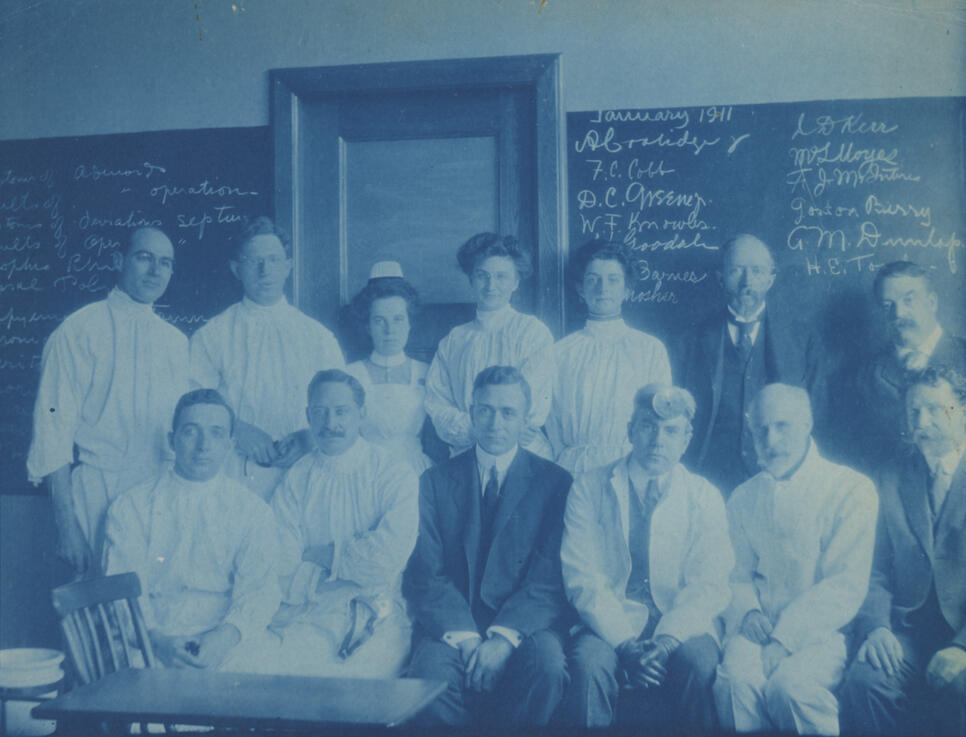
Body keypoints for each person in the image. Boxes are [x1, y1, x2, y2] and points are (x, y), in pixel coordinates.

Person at [403, 366, 571, 726]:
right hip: (454, 623)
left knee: (549, 666)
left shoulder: (555, 482)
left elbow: (549, 578)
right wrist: (465, 638)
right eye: (485, 410)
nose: (496, 423)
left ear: (526, 418)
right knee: (427, 675)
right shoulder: (434, 481)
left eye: (508, 412)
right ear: (471, 411)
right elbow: (425, 573)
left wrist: (504, 638)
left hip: (525, 625)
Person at [559, 383, 733, 728]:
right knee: (590, 665)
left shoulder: (704, 496)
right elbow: (583, 578)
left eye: (671, 431)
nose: (658, 440)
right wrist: (625, 644)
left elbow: (709, 584)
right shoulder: (589, 487)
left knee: (700, 664)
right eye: (647, 426)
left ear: (686, 438)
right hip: (607, 622)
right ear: (630, 431)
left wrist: (667, 642)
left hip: (680, 622)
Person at [713, 384, 878, 736]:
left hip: (821, 633)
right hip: (755, 627)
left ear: (807, 424)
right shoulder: (744, 497)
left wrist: (785, 638)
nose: (771, 440)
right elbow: (732, 572)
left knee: (791, 688)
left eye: (782, 426)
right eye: (761, 430)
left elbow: (844, 585)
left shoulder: (850, 488)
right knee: (734, 682)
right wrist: (748, 611)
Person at [27, 227, 189, 577]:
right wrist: (67, 527)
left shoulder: (175, 343)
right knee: (99, 609)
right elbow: (52, 432)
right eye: (144, 257)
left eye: (165, 263)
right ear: (119, 260)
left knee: (155, 611)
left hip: (158, 493)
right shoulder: (79, 330)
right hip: (95, 494)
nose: (155, 271)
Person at [103, 389, 281, 673]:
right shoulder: (131, 507)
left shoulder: (253, 510)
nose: (203, 445)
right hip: (153, 639)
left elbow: (260, 590)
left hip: (227, 639)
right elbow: (123, 592)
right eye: (190, 432)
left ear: (230, 444)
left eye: (216, 433)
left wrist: (225, 636)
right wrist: (157, 641)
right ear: (172, 440)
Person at [840, 366, 966, 735]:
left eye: (934, 409)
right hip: (905, 633)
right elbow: (873, 568)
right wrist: (877, 627)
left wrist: (961, 647)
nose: (921, 422)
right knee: (864, 683)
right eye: (913, 411)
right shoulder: (890, 476)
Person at [270, 369, 418, 678]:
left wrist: (316, 555)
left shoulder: (393, 473)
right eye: (320, 412)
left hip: (377, 617)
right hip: (308, 612)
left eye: (341, 412)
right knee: (277, 678)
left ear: (361, 414)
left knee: (349, 688)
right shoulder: (297, 476)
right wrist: (346, 559)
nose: (330, 423)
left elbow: (385, 560)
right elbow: (280, 560)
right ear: (308, 416)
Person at [190, 216, 345, 500]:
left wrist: (309, 436)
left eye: (274, 260)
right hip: (234, 473)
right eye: (254, 261)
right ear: (236, 269)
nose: (265, 271)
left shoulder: (318, 337)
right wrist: (235, 428)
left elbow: (342, 404)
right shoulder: (212, 335)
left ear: (288, 266)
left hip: (304, 470)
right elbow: (194, 402)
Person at [673, 234, 824, 497]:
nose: (747, 282)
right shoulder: (688, 341)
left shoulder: (803, 341)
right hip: (708, 479)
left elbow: (818, 412)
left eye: (757, 271)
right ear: (720, 278)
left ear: (771, 279)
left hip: (782, 477)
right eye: (736, 271)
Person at [546, 241, 672, 474]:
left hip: (631, 466)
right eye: (593, 279)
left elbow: (658, 417)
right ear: (581, 289)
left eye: (613, 280)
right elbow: (552, 424)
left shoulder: (650, 349)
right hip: (573, 469)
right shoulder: (560, 352)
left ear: (627, 289)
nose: (602, 289)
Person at [425, 233, 554, 459]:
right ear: (471, 280)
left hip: (523, 455)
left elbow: (531, 407)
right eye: (482, 276)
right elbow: (437, 405)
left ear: (515, 282)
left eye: (501, 276)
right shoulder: (455, 340)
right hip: (466, 455)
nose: (491, 285)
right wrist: (479, 430)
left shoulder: (533, 332)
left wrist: (491, 426)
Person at [852, 260, 966, 470]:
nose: (898, 313)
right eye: (888, 306)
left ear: (932, 302)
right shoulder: (864, 376)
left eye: (909, 300)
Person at [345, 262, 432, 473]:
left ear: (409, 323)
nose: (389, 330)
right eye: (379, 321)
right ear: (367, 326)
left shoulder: (428, 372)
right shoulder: (349, 374)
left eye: (398, 320)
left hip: (414, 470)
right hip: (365, 469)